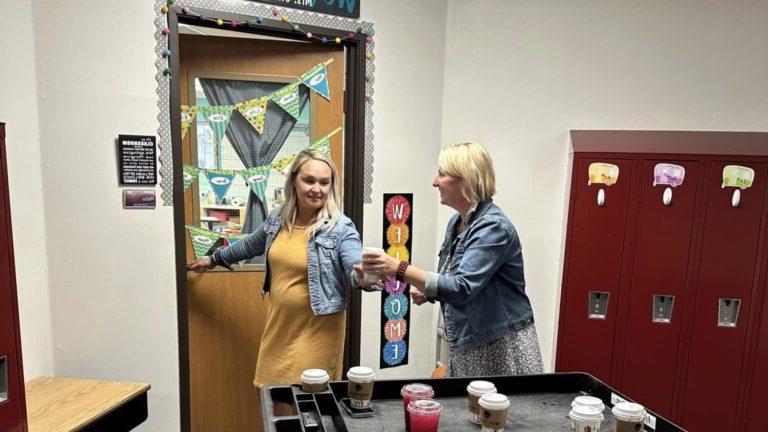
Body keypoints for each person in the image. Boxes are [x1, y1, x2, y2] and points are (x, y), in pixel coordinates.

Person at [188, 149, 378, 387]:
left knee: (307, 404)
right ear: (294, 181)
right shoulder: (278, 219)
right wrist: (214, 259)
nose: (316, 189)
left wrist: (362, 277)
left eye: (324, 182)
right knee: (270, 395)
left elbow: (353, 263)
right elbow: (250, 245)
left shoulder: (341, 228)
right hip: (280, 327)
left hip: (318, 332)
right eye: (309, 180)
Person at [363, 141, 544, 377]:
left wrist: (398, 267)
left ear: (466, 179)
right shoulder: (457, 222)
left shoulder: (493, 227)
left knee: (500, 411)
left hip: (499, 344)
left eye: (442, 174)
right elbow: (454, 278)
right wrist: (428, 292)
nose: (435, 182)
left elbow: (461, 288)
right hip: (472, 342)